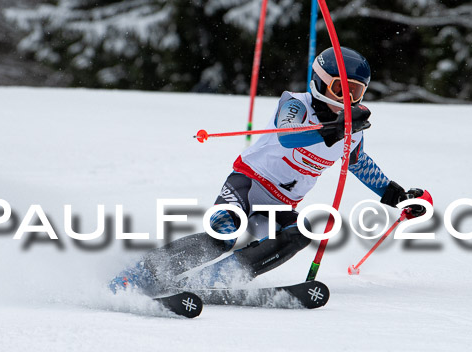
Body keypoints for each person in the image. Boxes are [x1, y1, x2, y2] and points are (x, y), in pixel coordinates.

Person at [110, 47, 431, 295]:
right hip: (247, 184)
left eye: (355, 93)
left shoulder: (352, 129)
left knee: (298, 234)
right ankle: (140, 274)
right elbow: (289, 136)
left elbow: (359, 164)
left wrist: (396, 195)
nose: (346, 99)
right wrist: (333, 129)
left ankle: (215, 280)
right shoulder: (295, 104)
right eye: (339, 89)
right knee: (224, 232)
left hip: (278, 204)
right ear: (320, 82)